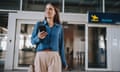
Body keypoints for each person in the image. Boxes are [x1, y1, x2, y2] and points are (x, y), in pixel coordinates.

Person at [31, 3, 68, 72]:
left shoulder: (59, 28)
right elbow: (32, 41)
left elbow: (61, 45)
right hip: (40, 56)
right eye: (46, 9)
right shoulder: (39, 24)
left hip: (54, 56)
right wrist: (38, 37)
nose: (48, 11)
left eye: (50, 9)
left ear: (55, 12)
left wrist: (64, 62)